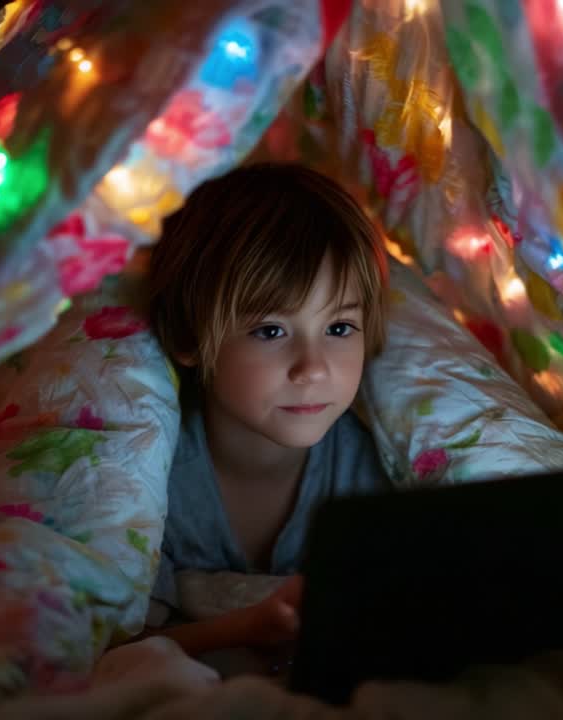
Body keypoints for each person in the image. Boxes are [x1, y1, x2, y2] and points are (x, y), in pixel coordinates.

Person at [143, 163, 392, 658]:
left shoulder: (368, 471)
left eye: (339, 329)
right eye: (271, 331)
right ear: (189, 337)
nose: (313, 369)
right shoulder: (150, 477)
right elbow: (106, 647)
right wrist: (245, 628)